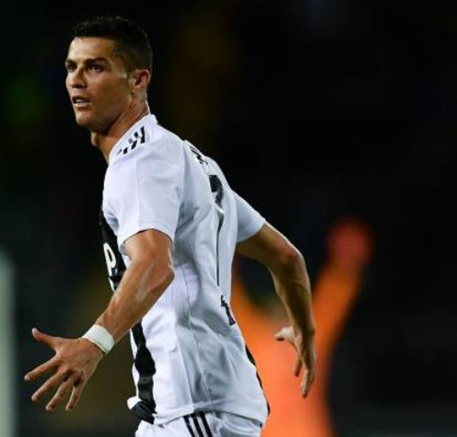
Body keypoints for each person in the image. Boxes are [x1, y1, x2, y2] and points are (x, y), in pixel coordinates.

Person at [24, 15, 317, 437]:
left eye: (96, 67)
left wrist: (94, 343)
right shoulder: (192, 163)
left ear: (138, 80)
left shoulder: (140, 163)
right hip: (190, 404)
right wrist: (305, 329)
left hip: (196, 401)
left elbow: (154, 265)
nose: (77, 80)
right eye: (72, 67)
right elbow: (286, 258)